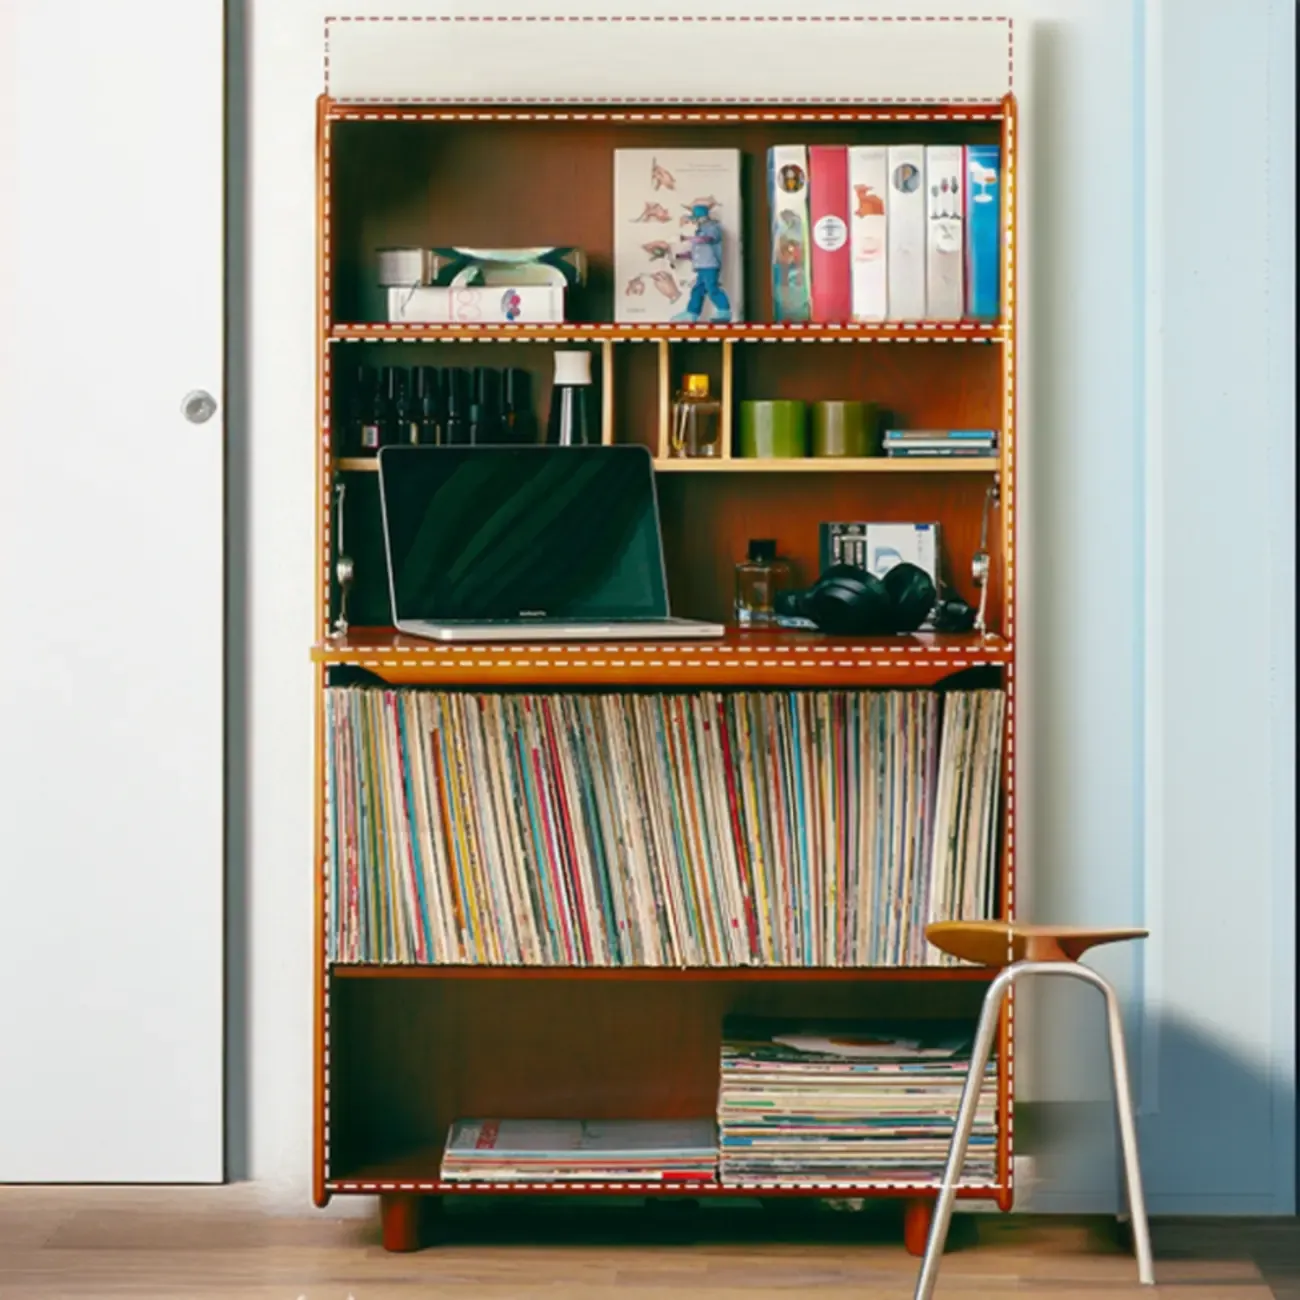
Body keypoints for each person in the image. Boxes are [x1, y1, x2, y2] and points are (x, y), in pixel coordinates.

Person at [672, 202, 732, 323]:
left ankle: (724, 311)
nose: (693, 222)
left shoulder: (712, 227)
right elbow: (697, 252)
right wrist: (682, 256)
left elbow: (707, 239)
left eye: (694, 219)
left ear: (701, 217)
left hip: (710, 265)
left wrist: (687, 238)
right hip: (701, 266)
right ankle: (692, 313)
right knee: (697, 290)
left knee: (712, 288)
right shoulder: (699, 231)